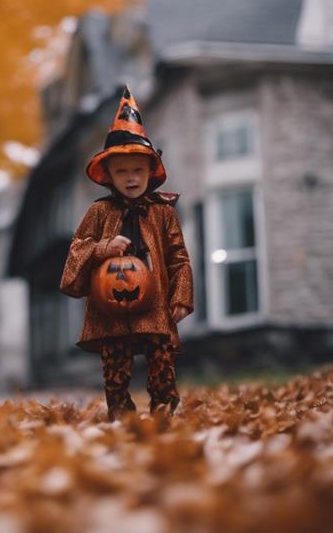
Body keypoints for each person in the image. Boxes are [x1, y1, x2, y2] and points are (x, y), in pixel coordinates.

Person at [60, 86, 193, 421]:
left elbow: (178, 256)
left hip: (155, 299)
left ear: (150, 172)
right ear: (109, 176)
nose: (131, 178)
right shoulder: (98, 212)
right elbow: (77, 251)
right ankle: (121, 413)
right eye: (122, 171)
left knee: (161, 360)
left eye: (138, 170)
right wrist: (104, 247)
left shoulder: (163, 213)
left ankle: (163, 409)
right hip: (111, 304)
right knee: (115, 364)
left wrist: (181, 296)